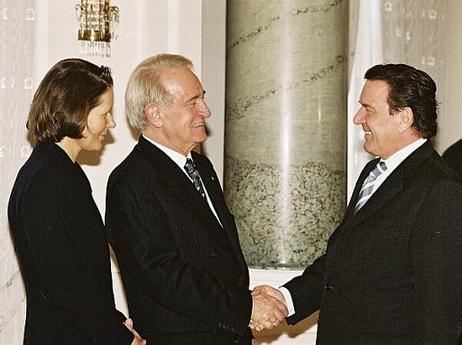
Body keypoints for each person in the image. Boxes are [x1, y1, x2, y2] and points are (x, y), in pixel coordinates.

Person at [253, 63, 462, 344]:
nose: (357, 118)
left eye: (369, 109)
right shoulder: (373, 172)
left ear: (403, 118)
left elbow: (440, 313)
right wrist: (286, 298)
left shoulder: (439, 190)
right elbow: (343, 261)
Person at [105, 53, 287, 344]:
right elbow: (162, 273)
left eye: (202, 98)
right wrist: (244, 308)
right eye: (193, 102)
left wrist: (243, 312)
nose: (206, 110)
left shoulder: (201, 167)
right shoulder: (132, 181)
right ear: (155, 114)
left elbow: (213, 256)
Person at [8, 58, 145, 345]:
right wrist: (118, 336)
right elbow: (64, 287)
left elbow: (80, 276)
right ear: (77, 112)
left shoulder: (57, 170)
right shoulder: (48, 178)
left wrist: (117, 322)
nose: (112, 123)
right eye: (104, 113)